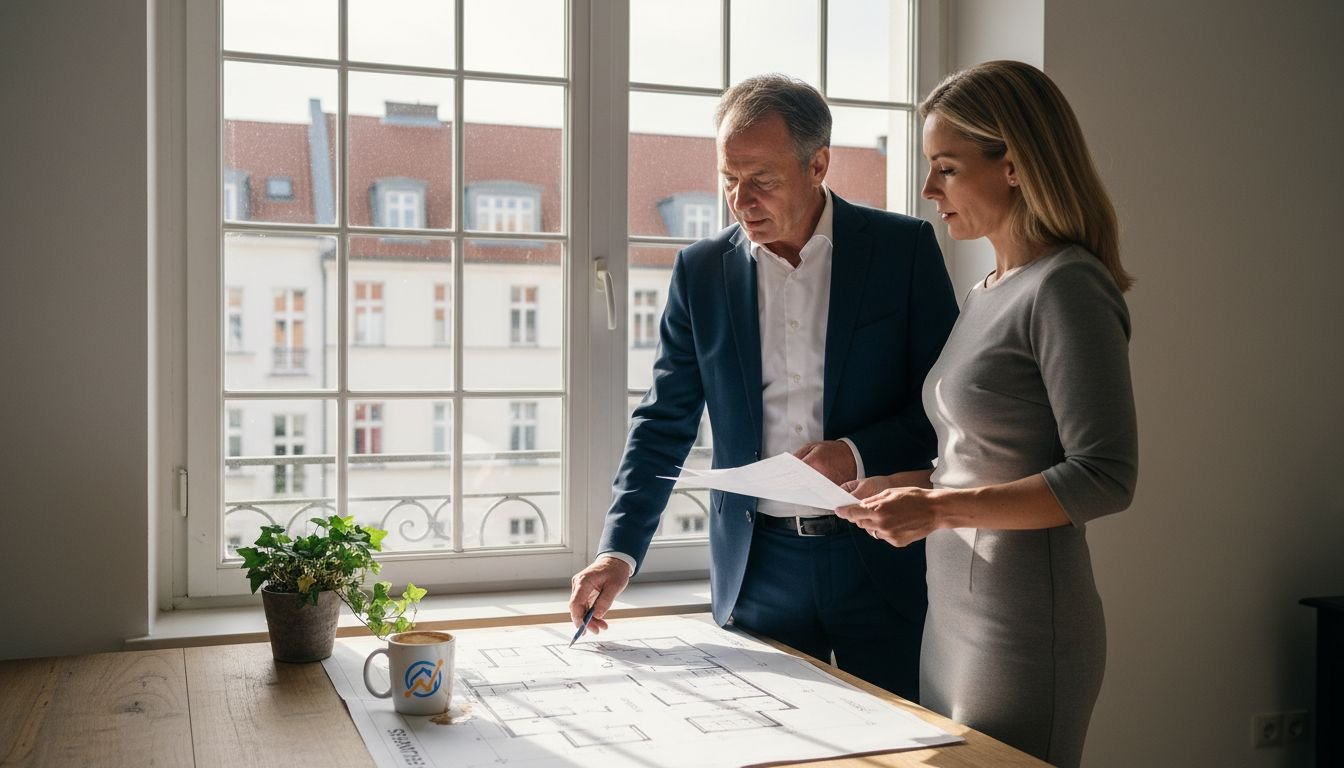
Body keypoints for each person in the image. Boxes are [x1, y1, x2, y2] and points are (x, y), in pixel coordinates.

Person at [567, 74, 959, 701]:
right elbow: (663, 422)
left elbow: (945, 413)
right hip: (757, 568)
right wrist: (619, 552)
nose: (740, 199)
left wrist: (854, 453)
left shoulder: (902, 250)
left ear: (819, 165)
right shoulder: (699, 271)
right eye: (728, 178)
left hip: (880, 559)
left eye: (762, 179)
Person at [835, 60, 1138, 767]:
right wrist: (904, 486)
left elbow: (1105, 478)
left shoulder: (1068, 287)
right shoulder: (986, 290)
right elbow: (982, 451)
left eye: (945, 167)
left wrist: (938, 510)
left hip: (1025, 626)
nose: (926, 189)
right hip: (954, 614)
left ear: (1014, 164)